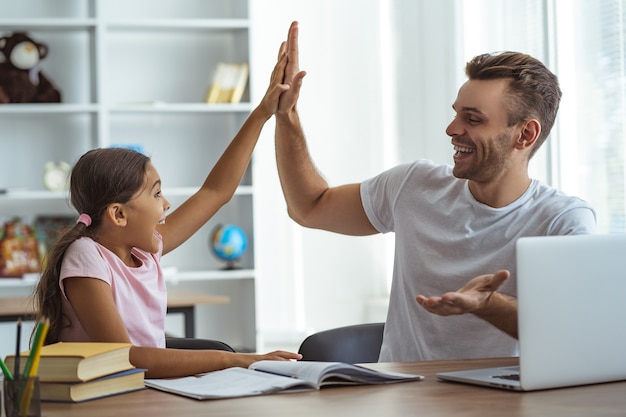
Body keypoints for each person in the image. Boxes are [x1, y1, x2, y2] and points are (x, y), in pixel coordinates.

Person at [274, 21, 596, 362]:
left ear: (525, 135)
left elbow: (574, 334)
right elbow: (309, 207)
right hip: (402, 398)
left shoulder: (562, 221)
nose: (452, 129)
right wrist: (287, 114)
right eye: (456, 114)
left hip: (503, 405)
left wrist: (489, 305)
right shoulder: (414, 185)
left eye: (472, 119)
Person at [33, 39, 302, 378]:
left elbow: (216, 191)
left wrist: (264, 112)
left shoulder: (144, 251)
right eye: (157, 194)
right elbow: (126, 359)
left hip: (143, 395)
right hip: (106, 401)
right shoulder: (86, 256)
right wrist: (237, 359)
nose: (167, 203)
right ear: (118, 215)